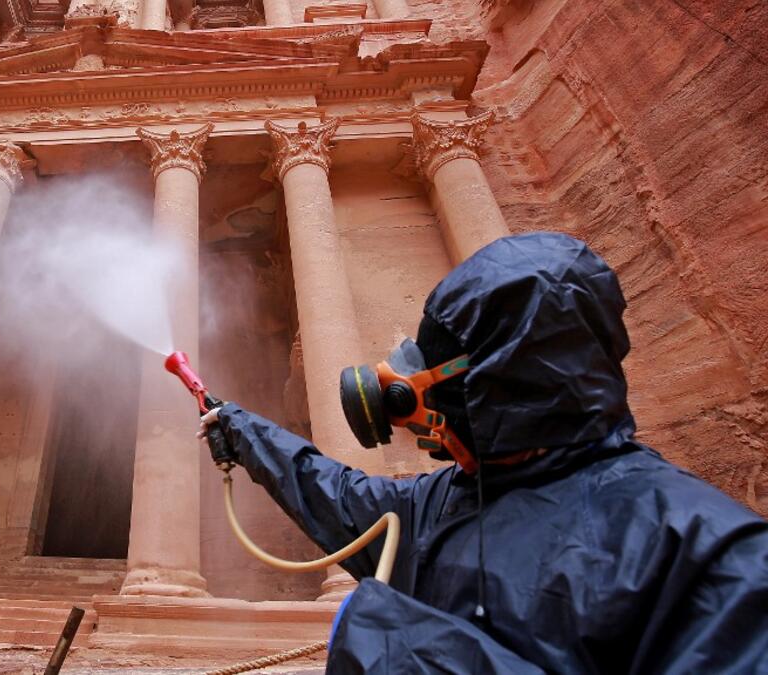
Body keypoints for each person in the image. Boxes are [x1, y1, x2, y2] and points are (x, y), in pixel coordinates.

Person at [199, 232, 768, 673]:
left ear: (503, 385)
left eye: (430, 376)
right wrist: (243, 430)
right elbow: (335, 494)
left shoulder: (713, 558)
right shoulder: (447, 498)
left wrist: (402, 652)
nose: (406, 401)